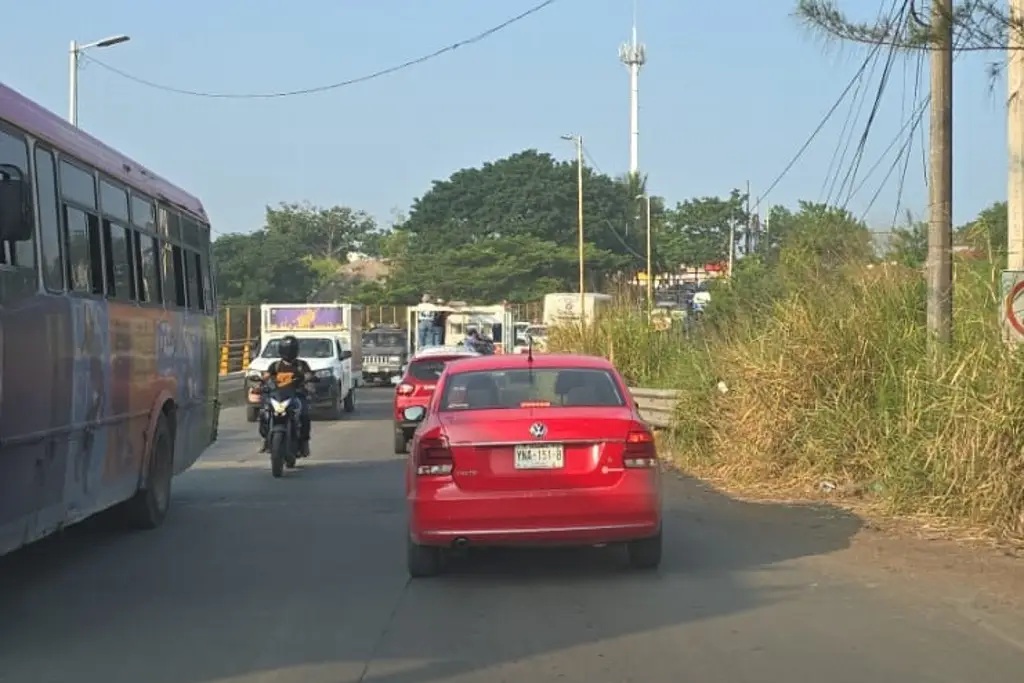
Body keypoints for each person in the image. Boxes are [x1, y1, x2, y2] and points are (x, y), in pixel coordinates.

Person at [261, 335, 314, 456]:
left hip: (296, 395)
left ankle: (304, 443)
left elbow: (309, 375)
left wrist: (309, 379)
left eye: (291, 349)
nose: (288, 352)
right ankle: (266, 439)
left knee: (305, 415)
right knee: (264, 414)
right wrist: (260, 383)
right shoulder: (275, 365)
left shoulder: (301, 365)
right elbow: (266, 376)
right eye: (286, 349)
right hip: (278, 396)